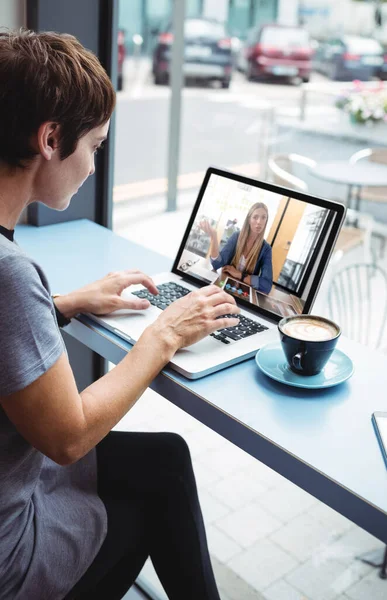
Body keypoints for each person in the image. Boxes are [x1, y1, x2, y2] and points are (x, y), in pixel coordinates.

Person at [0, 29, 240, 600]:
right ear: (52, 140)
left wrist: (60, 304)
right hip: (11, 560)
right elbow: (68, 438)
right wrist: (165, 333)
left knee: (165, 458)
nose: (92, 165)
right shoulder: (10, 275)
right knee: (161, 487)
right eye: (96, 146)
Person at [200, 202, 273, 294]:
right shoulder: (236, 237)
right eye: (255, 217)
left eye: (263, 217)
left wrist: (240, 275)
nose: (259, 222)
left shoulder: (266, 249)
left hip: (243, 293)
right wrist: (214, 237)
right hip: (225, 286)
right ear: (249, 219)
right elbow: (217, 264)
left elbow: (266, 285)